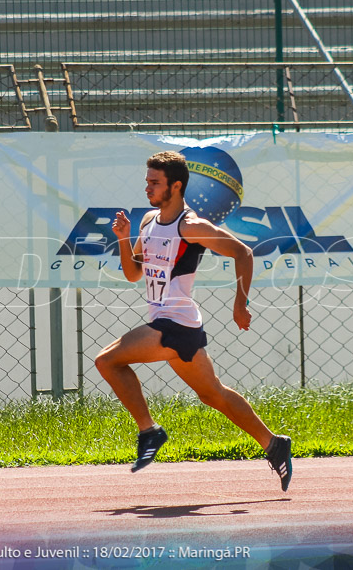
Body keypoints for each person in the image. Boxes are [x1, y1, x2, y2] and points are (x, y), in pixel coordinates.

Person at [94, 151, 292, 491]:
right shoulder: (148, 223)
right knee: (214, 394)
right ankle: (274, 444)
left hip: (177, 323)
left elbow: (243, 253)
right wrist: (123, 238)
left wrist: (239, 304)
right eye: (147, 182)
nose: (148, 189)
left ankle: (149, 430)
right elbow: (132, 273)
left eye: (155, 183)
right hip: (170, 323)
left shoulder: (192, 226)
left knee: (107, 361)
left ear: (176, 185)